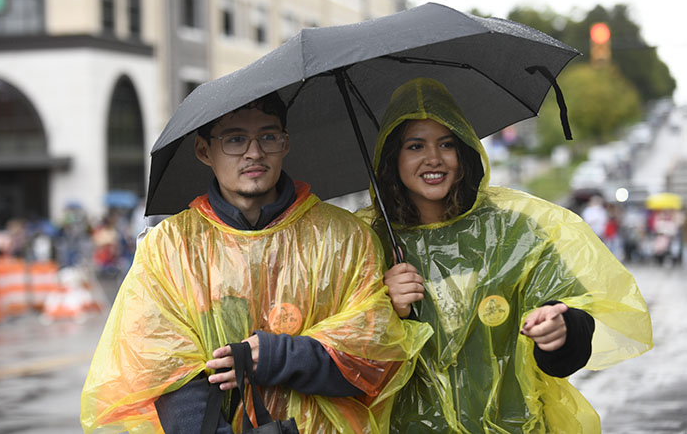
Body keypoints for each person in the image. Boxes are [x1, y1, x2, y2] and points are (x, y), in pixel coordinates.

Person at [80, 94, 431, 433]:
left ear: (286, 143)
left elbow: (371, 359)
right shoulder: (170, 247)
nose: (254, 152)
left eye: (268, 136)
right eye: (235, 139)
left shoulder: (345, 237)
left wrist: (280, 358)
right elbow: (163, 367)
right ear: (204, 150)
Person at [357, 78, 653, 433]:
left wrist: (560, 331)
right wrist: (387, 311)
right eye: (415, 145)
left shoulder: (513, 232)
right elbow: (351, 364)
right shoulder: (368, 247)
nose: (433, 158)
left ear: (465, 152)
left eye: (446, 143)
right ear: (393, 157)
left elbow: (568, 319)